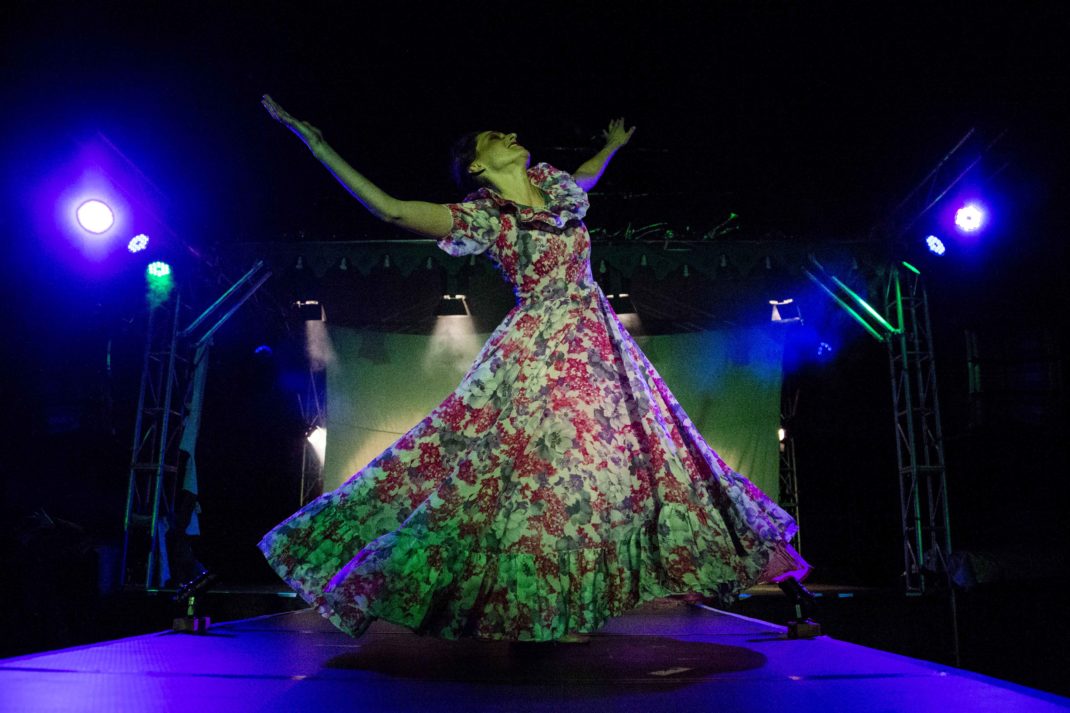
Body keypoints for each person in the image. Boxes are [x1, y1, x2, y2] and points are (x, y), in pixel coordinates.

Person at [257, 95, 810, 644]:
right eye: (496, 136)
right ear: (478, 166)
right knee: (523, 471)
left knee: (650, 455)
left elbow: (587, 175)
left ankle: (706, 572)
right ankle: (531, 598)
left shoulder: (557, 188)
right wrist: (319, 144)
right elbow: (391, 208)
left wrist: (611, 147)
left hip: (600, 344)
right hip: (540, 346)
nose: (511, 133)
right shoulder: (486, 216)